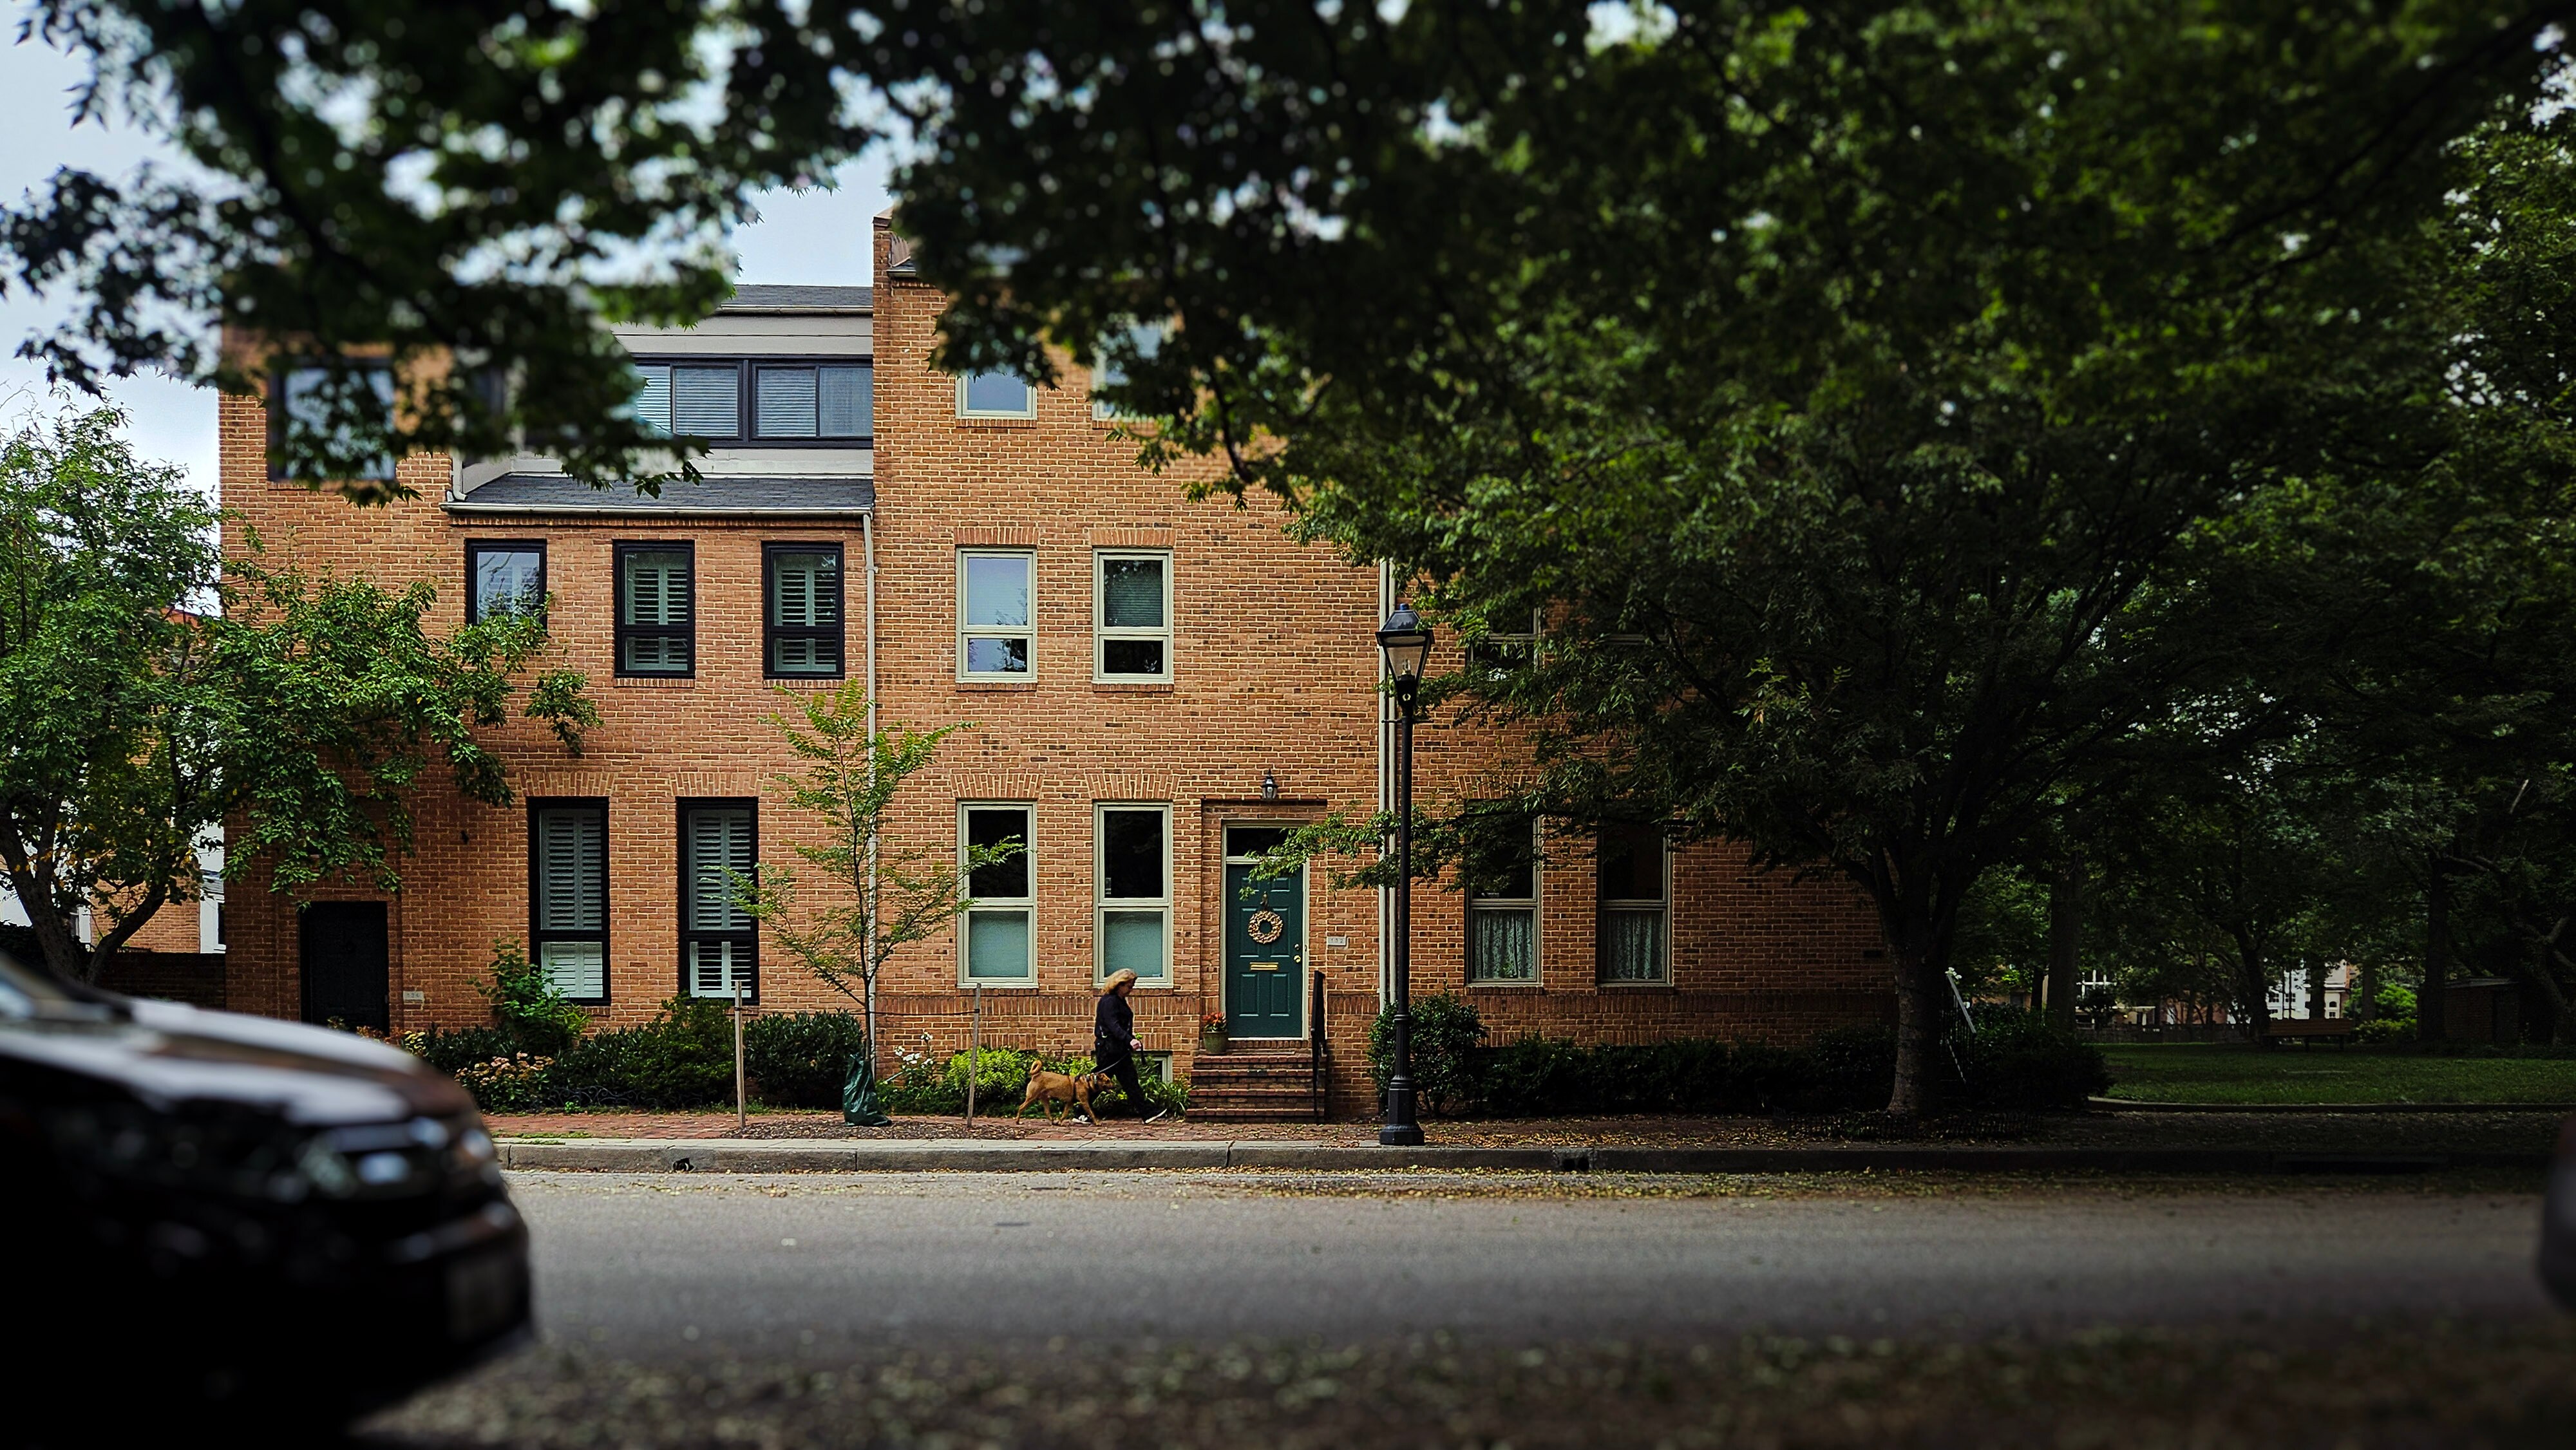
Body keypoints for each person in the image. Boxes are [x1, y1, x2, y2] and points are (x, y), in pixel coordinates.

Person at [1089, 968, 1168, 1123]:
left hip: (1118, 1049)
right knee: (1099, 1082)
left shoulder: (1118, 1000)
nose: (1131, 989)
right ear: (1120, 985)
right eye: (1130, 986)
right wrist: (1129, 1040)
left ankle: (1147, 1112)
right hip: (1109, 1049)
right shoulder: (1110, 1001)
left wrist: (1129, 1040)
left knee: (1130, 1081)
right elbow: (1113, 1025)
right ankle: (1080, 1110)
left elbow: (1121, 1026)